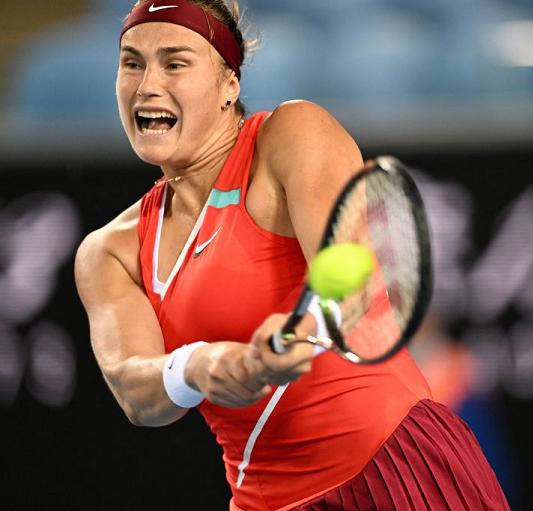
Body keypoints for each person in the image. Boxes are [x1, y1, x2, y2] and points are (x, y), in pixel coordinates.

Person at [74, 1, 509, 509]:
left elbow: (349, 275)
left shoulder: (293, 134)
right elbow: (136, 393)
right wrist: (198, 365)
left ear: (228, 84)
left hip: (396, 469)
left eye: (175, 63)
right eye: (132, 63)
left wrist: (302, 330)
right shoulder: (109, 251)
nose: (147, 84)